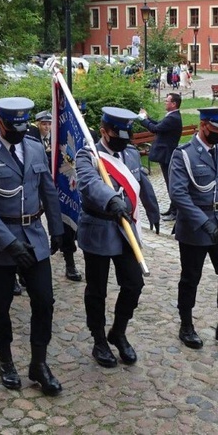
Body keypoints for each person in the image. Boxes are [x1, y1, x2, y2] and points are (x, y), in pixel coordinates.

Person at [0, 97, 64, 394]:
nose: (20, 131)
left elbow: (48, 189)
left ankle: (39, 363)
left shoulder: (34, 148)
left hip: (34, 235)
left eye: (24, 125)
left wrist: (57, 229)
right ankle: (5, 359)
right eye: (14, 126)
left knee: (44, 301)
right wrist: (8, 244)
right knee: (1, 304)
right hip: (1, 241)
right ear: (1, 123)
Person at [75, 107, 160, 368]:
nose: (122, 138)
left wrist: (153, 209)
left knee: (134, 284)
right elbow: (90, 184)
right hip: (99, 229)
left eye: (126, 133)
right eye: (116, 133)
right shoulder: (87, 155)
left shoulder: (131, 154)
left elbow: (140, 182)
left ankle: (118, 332)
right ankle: (99, 339)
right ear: (104, 131)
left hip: (126, 232)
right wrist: (112, 201)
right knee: (97, 289)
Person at [169, 107, 218, 351]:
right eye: (216, 129)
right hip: (195, 226)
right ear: (203, 125)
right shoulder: (183, 155)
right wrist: (202, 222)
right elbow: (179, 195)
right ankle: (186, 326)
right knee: (191, 277)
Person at [28, 110, 82, 283]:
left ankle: (69, 261)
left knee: (66, 223)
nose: (47, 127)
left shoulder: (58, 139)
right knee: (28, 221)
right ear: (37, 124)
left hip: (58, 188)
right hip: (36, 187)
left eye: (49, 124)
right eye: (43, 124)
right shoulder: (31, 138)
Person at [137, 93, 183, 221]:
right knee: (170, 183)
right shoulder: (171, 116)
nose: (165, 102)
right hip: (165, 155)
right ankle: (172, 208)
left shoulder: (173, 118)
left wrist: (143, 119)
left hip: (167, 155)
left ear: (174, 104)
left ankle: (175, 211)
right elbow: (159, 125)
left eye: (167, 101)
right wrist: (147, 117)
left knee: (171, 184)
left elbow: (155, 129)